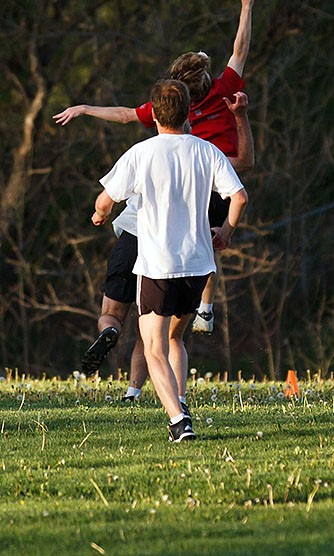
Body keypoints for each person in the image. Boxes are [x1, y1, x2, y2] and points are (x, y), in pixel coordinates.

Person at [56, 0, 256, 335]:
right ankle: (205, 309)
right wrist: (246, 7)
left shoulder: (172, 107)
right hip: (215, 180)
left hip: (185, 180)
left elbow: (123, 115)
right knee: (209, 239)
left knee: (180, 236)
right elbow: (240, 49)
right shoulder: (223, 88)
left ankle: (165, 309)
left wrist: (86, 108)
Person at [92, 79, 248, 441]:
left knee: (153, 346)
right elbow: (239, 197)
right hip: (198, 266)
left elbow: (104, 202)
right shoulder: (206, 151)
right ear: (187, 112)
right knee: (176, 340)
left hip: (158, 267)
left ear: (155, 114)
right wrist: (225, 232)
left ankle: (179, 421)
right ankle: (179, 399)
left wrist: (100, 217)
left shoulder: (141, 153)